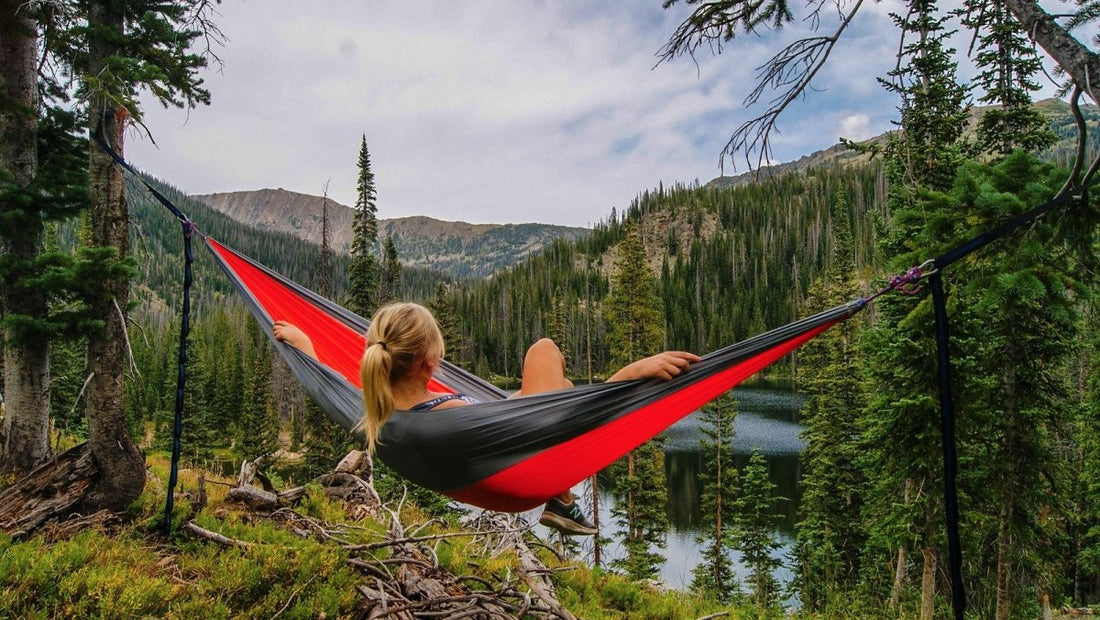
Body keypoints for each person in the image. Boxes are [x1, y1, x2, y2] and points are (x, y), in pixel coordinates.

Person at [274, 302, 699, 536]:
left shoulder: (373, 410)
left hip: (491, 450)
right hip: (518, 477)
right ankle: (562, 498)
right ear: (427, 363)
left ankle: (564, 500)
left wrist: (306, 347)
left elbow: (330, 385)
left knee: (562, 384)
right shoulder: (449, 419)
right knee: (544, 350)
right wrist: (628, 377)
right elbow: (560, 426)